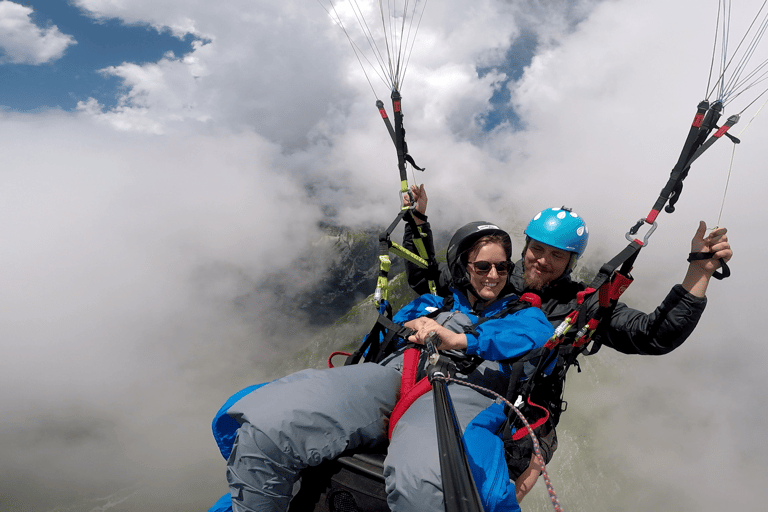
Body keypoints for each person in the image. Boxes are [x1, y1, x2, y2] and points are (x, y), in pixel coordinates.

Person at [401, 183, 733, 501]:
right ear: (526, 246)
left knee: (484, 497)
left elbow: (653, 335)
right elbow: (425, 278)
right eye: (537, 249)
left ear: (571, 262)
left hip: (524, 419)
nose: (542, 260)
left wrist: (700, 271)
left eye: (557, 256)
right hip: (463, 389)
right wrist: (417, 221)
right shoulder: (494, 276)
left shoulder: (582, 305)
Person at [211, 223, 555, 512]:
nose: (494, 275)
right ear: (463, 267)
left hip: (461, 392)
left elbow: (531, 336)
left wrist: (458, 339)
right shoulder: (432, 304)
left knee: (426, 483)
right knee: (269, 425)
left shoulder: (524, 314)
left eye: (503, 267)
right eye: (483, 266)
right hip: (395, 373)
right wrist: (412, 324)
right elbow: (389, 334)